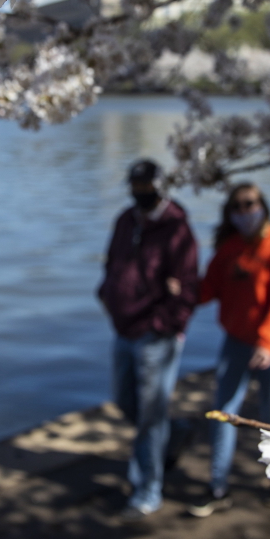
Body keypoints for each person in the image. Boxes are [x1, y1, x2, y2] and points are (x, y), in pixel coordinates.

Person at [188, 183, 270, 517]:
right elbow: (209, 287)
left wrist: (268, 342)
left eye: (250, 204)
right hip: (235, 344)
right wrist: (180, 291)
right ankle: (218, 486)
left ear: (262, 205)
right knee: (223, 412)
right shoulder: (231, 247)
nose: (244, 211)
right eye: (237, 206)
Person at [97, 159, 199, 518]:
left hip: (156, 336)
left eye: (146, 186)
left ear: (160, 187)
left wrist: (165, 324)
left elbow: (187, 289)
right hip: (123, 328)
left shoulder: (177, 229)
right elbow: (112, 263)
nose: (140, 193)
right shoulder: (126, 220)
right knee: (124, 401)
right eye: (135, 186)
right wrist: (107, 294)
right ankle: (176, 432)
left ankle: (146, 491)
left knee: (148, 418)